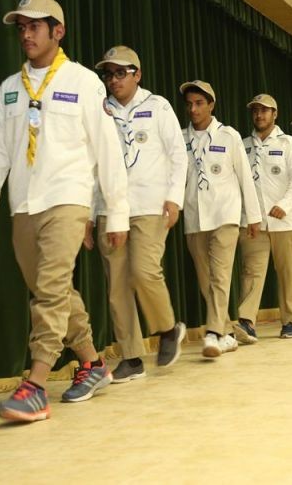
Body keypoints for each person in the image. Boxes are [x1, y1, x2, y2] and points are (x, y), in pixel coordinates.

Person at [0, 0, 130, 422]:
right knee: (49, 290)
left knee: (52, 288)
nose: (26, 34)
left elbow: (107, 150)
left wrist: (116, 212)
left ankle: (36, 384)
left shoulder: (84, 82)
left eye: (34, 26)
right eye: (21, 27)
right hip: (24, 202)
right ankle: (93, 363)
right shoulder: (9, 89)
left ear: (58, 31)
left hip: (67, 198)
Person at [87, 45, 188, 382]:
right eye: (108, 74)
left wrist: (174, 199)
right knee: (117, 285)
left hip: (149, 204)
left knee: (144, 272)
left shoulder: (158, 106)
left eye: (121, 73)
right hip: (110, 207)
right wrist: (90, 215)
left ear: (137, 74)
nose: (114, 80)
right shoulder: (100, 111)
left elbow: (178, 155)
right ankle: (131, 357)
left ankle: (167, 328)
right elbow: (92, 165)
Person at [179, 80, 262, 358]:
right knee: (206, 279)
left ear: (211, 105)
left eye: (199, 103)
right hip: (194, 216)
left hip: (225, 214)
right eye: (189, 104)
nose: (193, 109)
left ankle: (213, 333)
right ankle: (227, 333)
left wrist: (253, 216)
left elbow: (245, 177)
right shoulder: (181, 138)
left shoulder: (229, 136)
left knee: (220, 275)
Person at [233, 94, 292, 341]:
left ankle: (289, 321)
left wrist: (284, 204)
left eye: (264, 110)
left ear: (275, 114)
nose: (259, 115)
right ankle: (246, 321)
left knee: (288, 272)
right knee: (251, 271)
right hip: (254, 221)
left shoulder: (288, 143)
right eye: (255, 111)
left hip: (285, 221)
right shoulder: (243, 145)